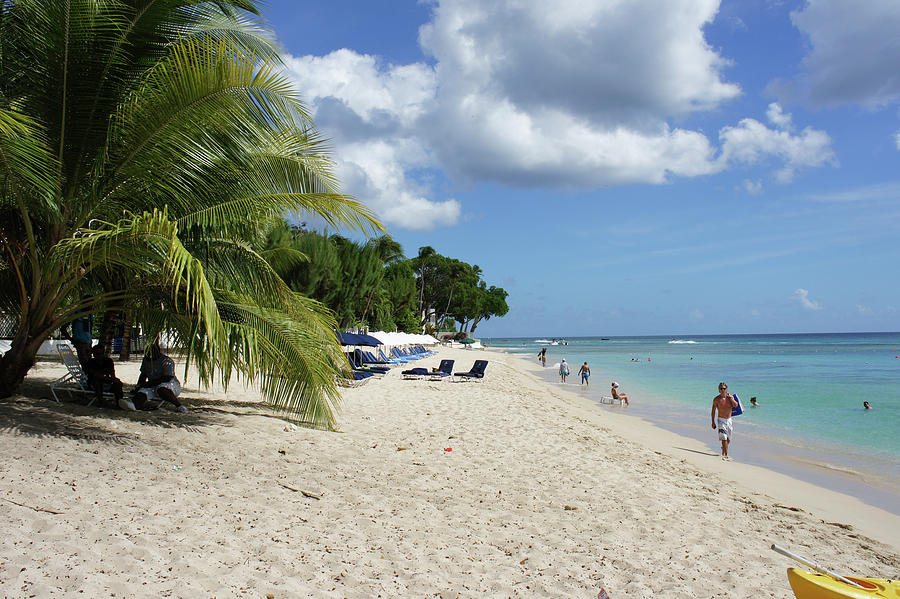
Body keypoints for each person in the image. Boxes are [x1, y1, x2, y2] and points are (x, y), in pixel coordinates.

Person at [124, 341, 187, 412]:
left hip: (168, 384)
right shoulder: (146, 360)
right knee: (142, 392)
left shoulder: (166, 361)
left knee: (161, 390)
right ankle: (134, 405)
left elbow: (167, 377)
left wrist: (148, 383)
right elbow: (143, 374)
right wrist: (139, 386)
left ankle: (179, 405)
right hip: (153, 384)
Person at [711, 382, 739, 460]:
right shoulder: (716, 399)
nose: (723, 390)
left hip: (729, 420)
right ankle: (725, 455)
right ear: (719, 390)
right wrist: (713, 422)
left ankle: (723, 448)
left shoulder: (730, 398)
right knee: (724, 438)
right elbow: (713, 411)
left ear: (726, 389)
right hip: (721, 420)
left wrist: (732, 399)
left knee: (729, 438)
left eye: (724, 388)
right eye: (721, 388)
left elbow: (736, 405)